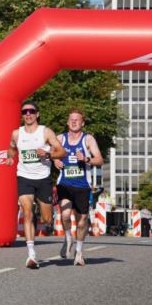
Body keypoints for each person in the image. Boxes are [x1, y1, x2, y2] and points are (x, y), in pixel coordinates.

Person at [6, 100, 66, 269]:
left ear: (37, 114)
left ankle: (48, 217)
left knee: (46, 219)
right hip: (24, 177)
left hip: (43, 178)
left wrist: (47, 154)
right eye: (24, 112)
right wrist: (10, 157)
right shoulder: (16, 134)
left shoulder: (45, 132)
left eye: (31, 111)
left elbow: (62, 151)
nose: (28, 114)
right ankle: (31, 255)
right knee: (27, 212)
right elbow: (11, 148)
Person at [52, 108, 103, 266]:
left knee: (82, 221)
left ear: (82, 123)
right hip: (65, 184)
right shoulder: (60, 138)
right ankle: (68, 239)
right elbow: (52, 154)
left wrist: (86, 159)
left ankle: (79, 253)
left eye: (77, 120)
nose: (74, 122)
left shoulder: (88, 139)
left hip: (82, 185)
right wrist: (56, 161)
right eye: (71, 119)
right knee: (65, 215)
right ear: (67, 122)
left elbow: (99, 160)